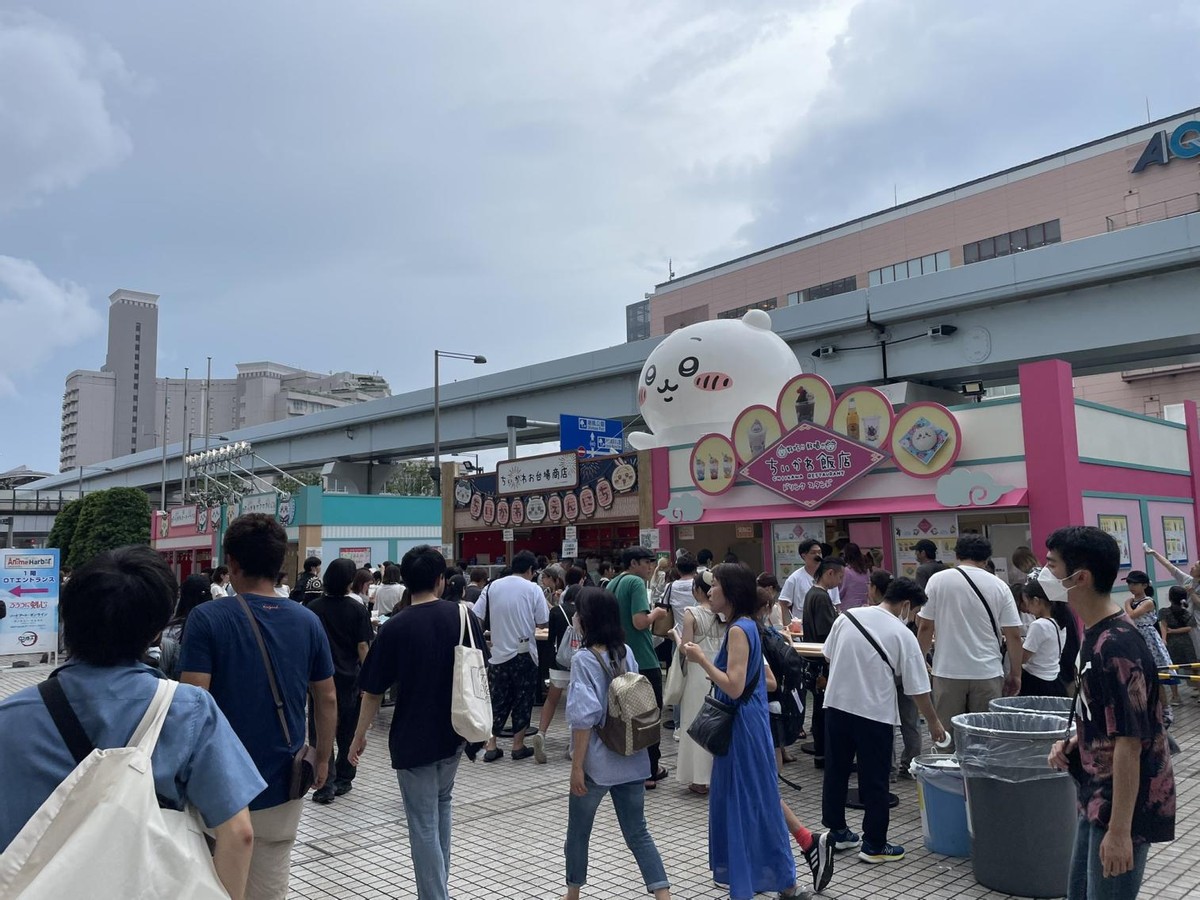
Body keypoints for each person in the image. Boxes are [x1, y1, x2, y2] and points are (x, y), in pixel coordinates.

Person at [0, 545, 261, 900]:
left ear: (68, 620)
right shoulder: (186, 708)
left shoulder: (11, 716)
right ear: (155, 632)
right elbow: (239, 833)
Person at [181, 514, 337, 900]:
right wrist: (321, 759)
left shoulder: (207, 619)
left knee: (211, 884)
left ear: (231, 563)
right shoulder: (307, 621)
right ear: (280, 563)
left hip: (217, 784)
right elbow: (327, 697)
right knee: (269, 883)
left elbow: (194, 700)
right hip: (283, 780)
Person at [1044, 526, 1175, 899]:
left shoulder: (1116, 645)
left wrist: (1120, 833)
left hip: (1123, 808)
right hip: (1096, 793)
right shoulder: (1096, 632)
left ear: (1080, 577)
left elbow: (1131, 743)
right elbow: (1110, 719)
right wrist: (1076, 740)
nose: (1043, 572)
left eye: (1051, 565)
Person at [682, 563, 825, 898]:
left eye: (715, 585)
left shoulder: (737, 630)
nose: (710, 591)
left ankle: (784, 881)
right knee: (755, 800)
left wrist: (702, 659)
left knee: (747, 802)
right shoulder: (748, 626)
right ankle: (782, 881)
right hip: (750, 724)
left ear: (731, 591)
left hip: (742, 728)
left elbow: (733, 686)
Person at [351, 545, 485, 900]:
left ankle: (434, 895)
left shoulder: (396, 627)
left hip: (413, 737)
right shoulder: (464, 617)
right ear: (441, 580)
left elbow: (373, 691)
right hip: (456, 731)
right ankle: (438, 888)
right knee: (441, 807)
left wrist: (358, 737)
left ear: (407, 583)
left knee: (424, 822)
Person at [821, 576, 947, 863]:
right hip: (873, 714)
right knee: (875, 778)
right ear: (905, 605)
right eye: (913, 611)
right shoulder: (902, 634)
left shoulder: (847, 617)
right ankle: (874, 844)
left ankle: (837, 832)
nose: (912, 617)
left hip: (836, 707)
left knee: (837, 771)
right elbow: (918, 689)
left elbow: (828, 655)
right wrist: (935, 723)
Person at [561, 587, 672, 900]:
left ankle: (572, 894)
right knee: (638, 831)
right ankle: (663, 894)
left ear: (586, 619)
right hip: (632, 756)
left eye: (579, 613)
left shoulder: (584, 659)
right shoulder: (625, 651)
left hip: (597, 761)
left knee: (579, 831)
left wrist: (577, 768)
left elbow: (583, 719)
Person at [916, 534, 1023, 750]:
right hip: (987, 672)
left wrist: (918, 664)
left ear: (956, 554)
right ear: (986, 558)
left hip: (947, 671)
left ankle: (947, 781)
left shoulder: (938, 581)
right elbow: (1013, 635)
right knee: (984, 740)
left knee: (945, 738)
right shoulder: (999, 586)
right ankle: (980, 782)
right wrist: (1016, 673)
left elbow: (926, 627)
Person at [306, 558, 373, 804]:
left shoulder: (313, 607)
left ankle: (324, 783)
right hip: (350, 679)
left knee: (319, 730)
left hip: (319, 680)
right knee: (347, 731)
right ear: (349, 582)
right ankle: (344, 778)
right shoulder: (356, 609)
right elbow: (363, 646)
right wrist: (369, 680)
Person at [473, 550, 550, 763]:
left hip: (497, 654)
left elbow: (477, 615)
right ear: (530, 570)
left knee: (496, 700)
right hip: (524, 654)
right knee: (522, 699)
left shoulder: (491, 587)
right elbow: (542, 621)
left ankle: (491, 745)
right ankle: (517, 746)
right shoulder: (533, 588)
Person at [609, 546, 671, 787]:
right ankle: (650, 771)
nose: (650, 566)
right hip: (643, 659)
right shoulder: (635, 583)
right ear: (633, 563)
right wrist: (656, 613)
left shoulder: (612, 584)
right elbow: (639, 622)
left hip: (620, 658)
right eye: (647, 562)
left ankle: (632, 768)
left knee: (627, 717)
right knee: (649, 717)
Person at [675, 567, 725, 794]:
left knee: (694, 722)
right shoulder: (723, 613)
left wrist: (674, 636)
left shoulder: (691, 613)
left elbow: (686, 648)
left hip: (697, 671)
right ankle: (718, 774)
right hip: (718, 670)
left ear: (697, 590)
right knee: (717, 722)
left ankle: (698, 779)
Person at [802, 557, 844, 769]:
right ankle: (824, 755)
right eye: (839, 576)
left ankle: (822, 754)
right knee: (823, 710)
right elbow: (826, 632)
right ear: (829, 573)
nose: (840, 580)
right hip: (821, 661)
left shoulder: (812, 594)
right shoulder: (820, 597)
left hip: (814, 660)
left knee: (820, 710)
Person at [539, 566, 586, 752]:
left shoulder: (557, 611)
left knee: (551, 699)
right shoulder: (587, 612)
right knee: (577, 702)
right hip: (581, 664)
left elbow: (551, 641)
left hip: (559, 662)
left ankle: (541, 734)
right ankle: (573, 744)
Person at [1122, 571, 1175, 726]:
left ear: (1144, 585)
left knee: (1156, 676)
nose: (1131, 587)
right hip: (1136, 637)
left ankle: (1166, 709)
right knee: (1141, 676)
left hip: (1149, 639)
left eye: (1134, 584)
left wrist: (1126, 603)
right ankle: (1148, 709)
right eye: (1129, 584)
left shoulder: (1148, 601)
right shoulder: (1132, 601)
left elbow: (1131, 614)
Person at [1018, 573, 1069, 697]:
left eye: (1027, 603)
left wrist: (1015, 643)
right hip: (1054, 679)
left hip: (1035, 681)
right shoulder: (1059, 622)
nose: (1027, 609)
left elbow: (1023, 658)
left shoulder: (1039, 625)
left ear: (1036, 601)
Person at [779, 538, 841, 627]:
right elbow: (783, 604)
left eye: (819, 552)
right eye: (813, 553)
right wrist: (790, 627)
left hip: (827, 629)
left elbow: (836, 605)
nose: (817, 555)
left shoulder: (830, 576)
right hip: (803, 631)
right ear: (804, 556)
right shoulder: (794, 578)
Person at [1160, 586, 1197, 702]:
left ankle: (1175, 696)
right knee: (1193, 668)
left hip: (1171, 643)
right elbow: (1189, 628)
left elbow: (1164, 626)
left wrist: (1164, 639)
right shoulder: (1186, 613)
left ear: (1170, 598)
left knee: (1172, 669)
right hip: (1186, 643)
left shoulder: (1164, 611)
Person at [839, 543, 871, 610]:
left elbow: (842, 590)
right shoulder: (866, 570)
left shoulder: (846, 571)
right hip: (864, 605)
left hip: (849, 606)